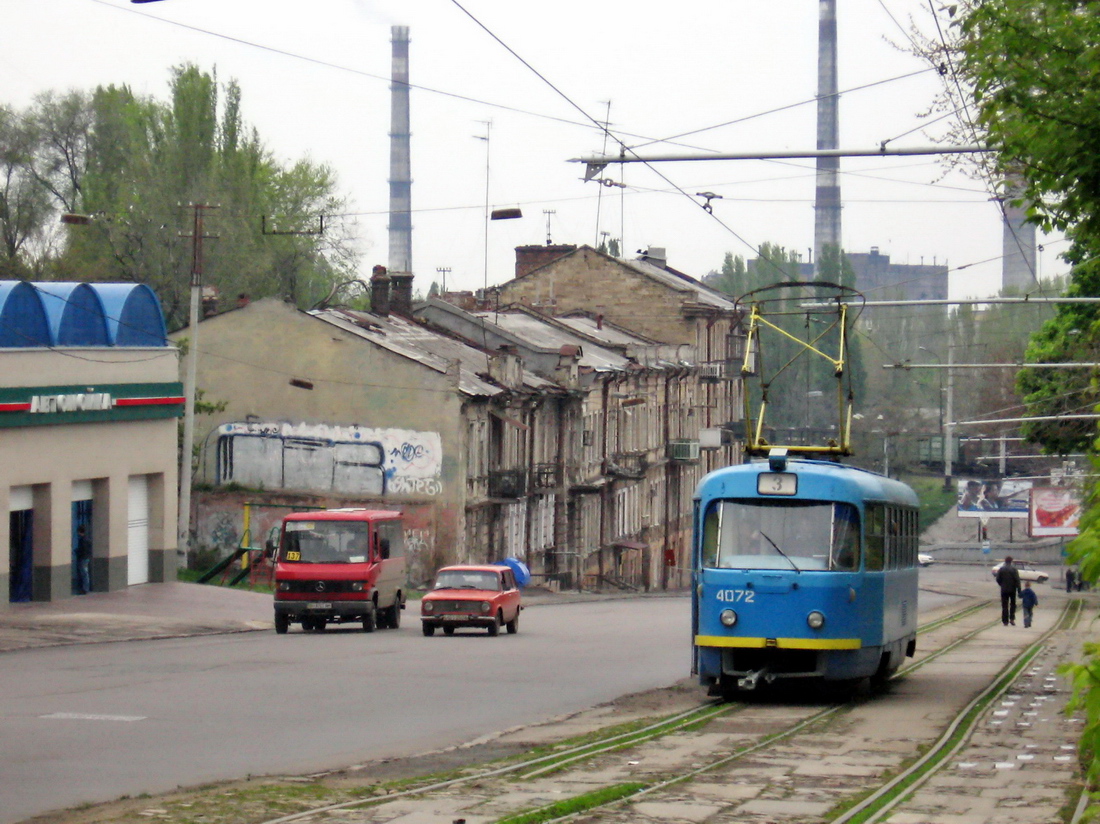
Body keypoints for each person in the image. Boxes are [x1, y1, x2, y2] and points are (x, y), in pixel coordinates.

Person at [995, 555, 1022, 626]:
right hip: (1012, 590)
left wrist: (1002, 584)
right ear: (1011, 561)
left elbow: (998, 579)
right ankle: (1012, 619)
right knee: (1013, 604)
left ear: (1005, 561)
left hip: (1004, 590)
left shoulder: (1001, 569)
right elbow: (1017, 580)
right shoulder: (1014, 569)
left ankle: (1005, 621)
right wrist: (1019, 590)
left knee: (1004, 605)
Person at [75, 525, 91, 595]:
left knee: (84, 574)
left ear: (79, 532)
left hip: (83, 558)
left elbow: (82, 550)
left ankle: (85, 589)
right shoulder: (87, 539)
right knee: (85, 574)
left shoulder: (82, 540)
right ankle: (85, 588)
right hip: (86, 558)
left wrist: (77, 552)